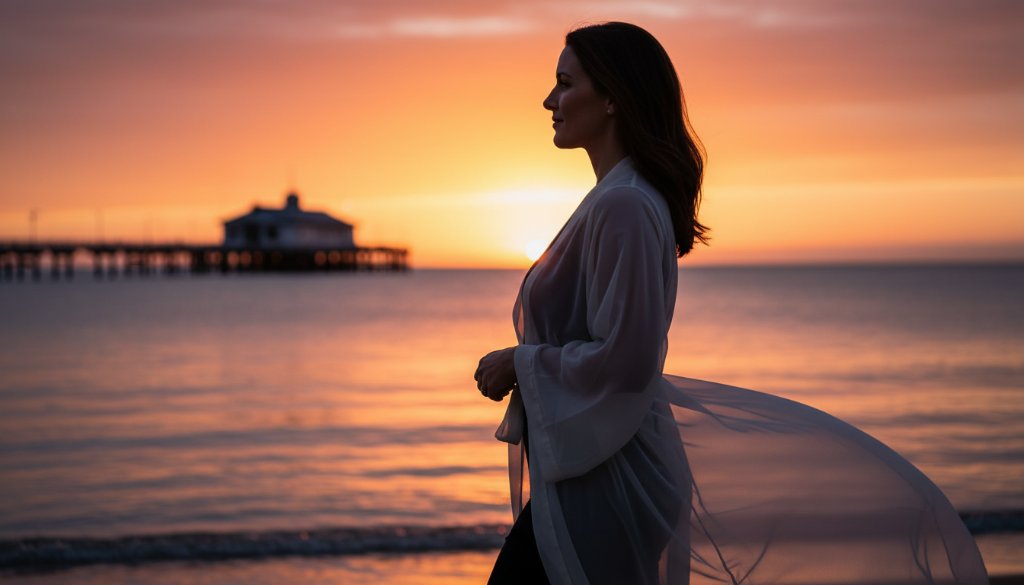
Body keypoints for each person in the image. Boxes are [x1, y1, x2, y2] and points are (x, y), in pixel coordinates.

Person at [474, 21, 988, 585]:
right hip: (600, 468)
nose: (549, 100)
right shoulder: (617, 198)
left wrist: (520, 361)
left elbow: (628, 359)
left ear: (613, 97)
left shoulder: (624, 205)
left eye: (565, 83)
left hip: (612, 480)